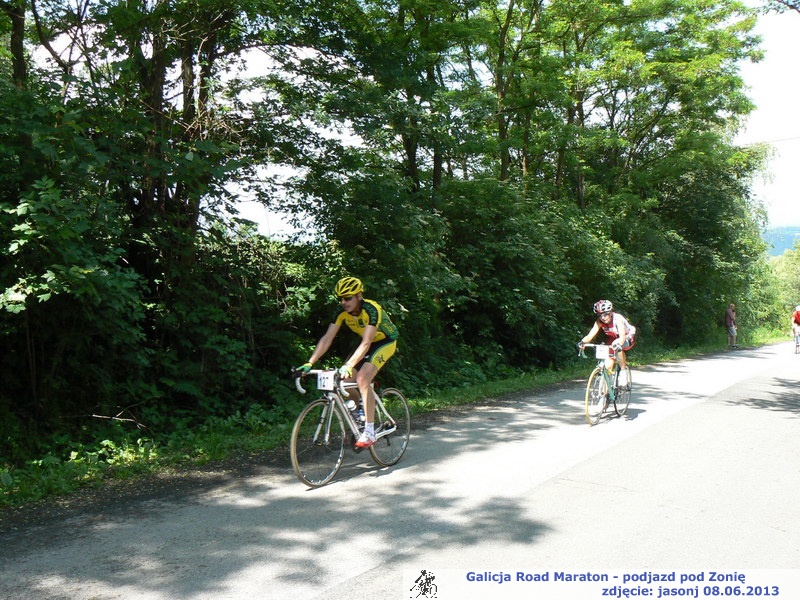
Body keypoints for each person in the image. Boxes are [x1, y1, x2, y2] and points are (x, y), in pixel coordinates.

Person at [294, 276, 399, 448]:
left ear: (359, 295)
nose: (343, 302)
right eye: (341, 299)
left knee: (363, 378)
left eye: (348, 298)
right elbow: (327, 338)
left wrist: (349, 365)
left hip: (385, 341)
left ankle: (370, 432)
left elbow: (366, 342)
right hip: (367, 343)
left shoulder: (372, 309)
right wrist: (310, 362)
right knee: (343, 381)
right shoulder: (340, 312)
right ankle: (360, 411)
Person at [577, 299, 636, 388]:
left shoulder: (617, 318)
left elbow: (622, 337)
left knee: (616, 345)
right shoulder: (599, 322)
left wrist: (618, 345)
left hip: (628, 336)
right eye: (600, 315)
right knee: (607, 364)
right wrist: (582, 342)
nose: (603, 318)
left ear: (611, 312)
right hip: (614, 337)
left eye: (605, 314)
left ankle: (623, 372)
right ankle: (605, 392)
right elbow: (590, 335)